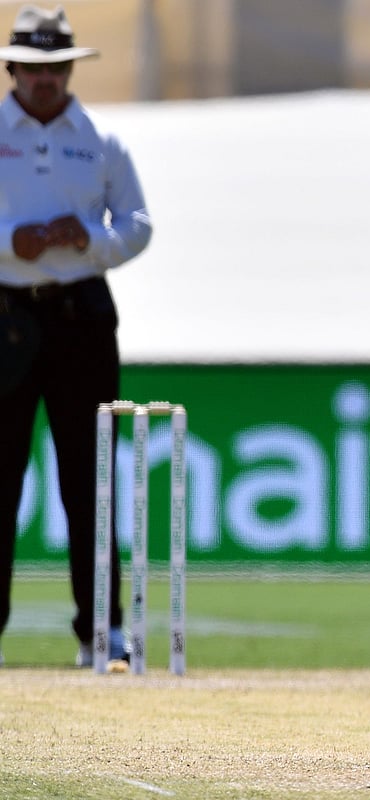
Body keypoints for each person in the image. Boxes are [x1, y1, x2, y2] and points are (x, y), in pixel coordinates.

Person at [0, 5, 152, 668]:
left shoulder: (101, 137)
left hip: (82, 315)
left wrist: (89, 240)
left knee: (90, 483)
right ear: (12, 69)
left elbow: (139, 224)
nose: (46, 80)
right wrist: (14, 241)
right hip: (5, 313)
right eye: (33, 68)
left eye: (57, 66)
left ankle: (102, 632)